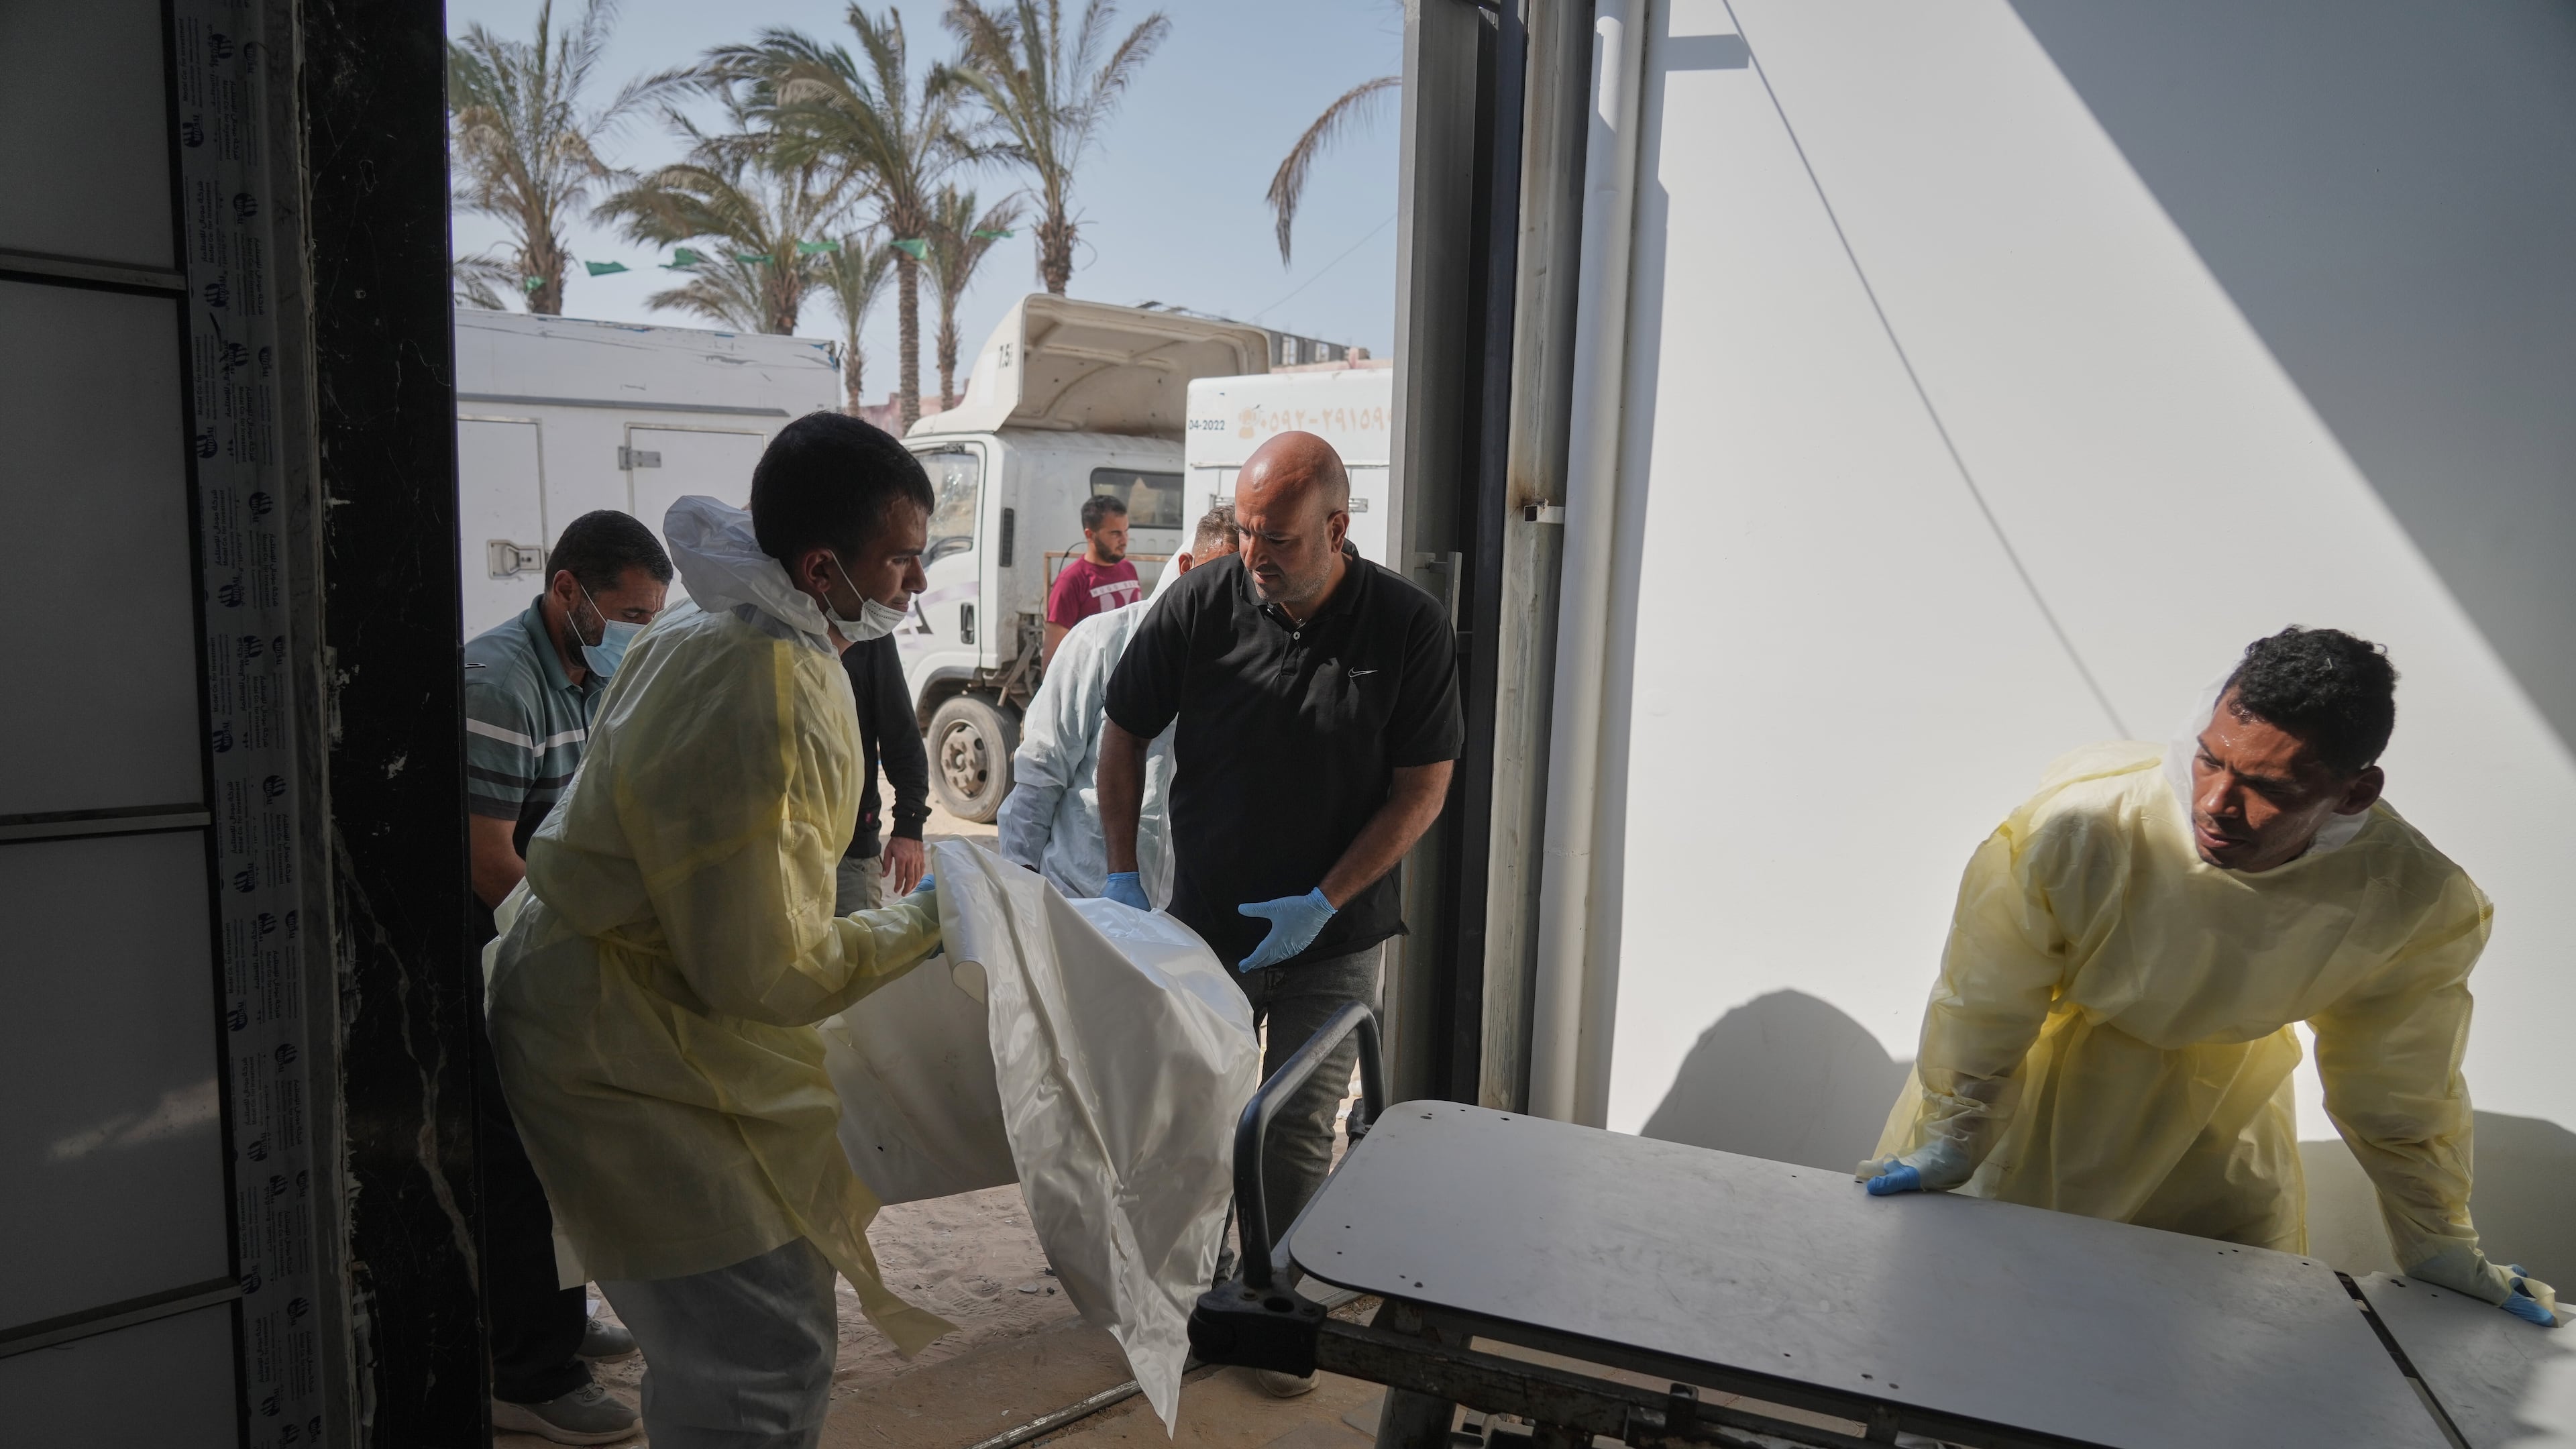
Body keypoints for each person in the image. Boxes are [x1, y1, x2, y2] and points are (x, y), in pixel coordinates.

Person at [486, 413, 959, 1449]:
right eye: (903, 561)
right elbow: (765, 970)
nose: (917, 585)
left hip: (598, 1001)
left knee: (731, 1331)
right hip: (625, 1048)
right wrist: (928, 924)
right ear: (824, 565)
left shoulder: (715, 627)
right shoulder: (772, 686)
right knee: (762, 1344)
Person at [1860, 628, 2558, 1330]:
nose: (2218, 803)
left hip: (2217, 1126)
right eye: (2209, 760)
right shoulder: (2082, 829)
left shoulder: (2411, 900)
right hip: (2031, 1100)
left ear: (2356, 792)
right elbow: (1988, 996)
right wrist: (1958, 1133)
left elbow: (2399, 1086)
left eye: (2268, 788)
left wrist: (2438, 1240)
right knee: (1977, 1326)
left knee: (2188, 1345)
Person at [1097, 432, 1462, 1395]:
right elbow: (1124, 731)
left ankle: (1274, 1305)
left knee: (1296, 1125)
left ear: (1338, 530)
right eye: (1249, 531)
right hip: (1207, 927)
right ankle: (1185, 1292)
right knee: (1196, 1112)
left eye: (1282, 540)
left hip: (1331, 934)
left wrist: (1324, 899)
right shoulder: (1204, 600)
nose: (1258, 556)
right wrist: (1125, 875)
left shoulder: (1406, 627)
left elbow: (1423, 787)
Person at [464, 509, 669, 1444]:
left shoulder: (595, 674)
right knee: (516, 1158)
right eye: (625, 611)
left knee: (566, 1143)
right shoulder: (501, 683)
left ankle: (556, 1315)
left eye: (649, 616)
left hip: (549, 933)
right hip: (500, 946)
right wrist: (577, 946)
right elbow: (486, 858)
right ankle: (526, 1375)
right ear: (566, 591)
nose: (636, 630)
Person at [998, 504, 1240, 902]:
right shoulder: (1101, 642)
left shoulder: (1239, 664)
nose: (1230, 601)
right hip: (1082, 897)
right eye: (1217, 580)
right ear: (1185, 567)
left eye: (1243, 588)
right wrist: (1018, 882)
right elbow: (1041, 773)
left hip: (1178, 917)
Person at [838, 631, 930, 911]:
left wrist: (908, 827)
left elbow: (902, 738)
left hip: (849, 851)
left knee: (856, 952)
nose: (918, 585)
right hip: (771, 851)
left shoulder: (866, 631)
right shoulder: (754, 617)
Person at [1042, 492, 1140, 665]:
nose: (1124, 540)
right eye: (1115, 533)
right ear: (1090, 535)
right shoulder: (1071, 581)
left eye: (1126, 531)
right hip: (1094, 686)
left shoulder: (1129, 569)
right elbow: (1053, 655)